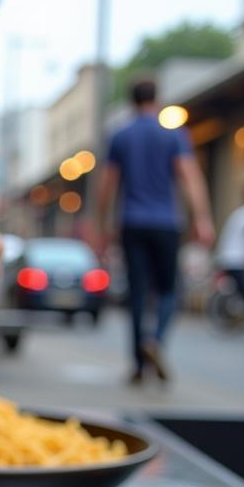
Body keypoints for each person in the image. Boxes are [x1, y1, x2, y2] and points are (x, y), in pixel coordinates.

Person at [97, 78, 214, 384]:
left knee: (136, 293)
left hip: (132, 222)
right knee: (168, 290)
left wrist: (101, 225)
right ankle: (156, 340)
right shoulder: (173, 135)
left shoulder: (120, 136)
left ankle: (138, 362)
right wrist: (202, 217)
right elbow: (190, 177)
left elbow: (107, 184)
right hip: (166, 223)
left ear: (131, 101)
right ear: (157, 99)